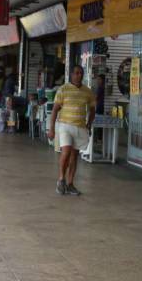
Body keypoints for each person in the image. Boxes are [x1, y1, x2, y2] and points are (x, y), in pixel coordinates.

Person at [47, 65, 96, 196]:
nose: (79, 75)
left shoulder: (88, 91)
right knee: (66, 152)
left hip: (80, 127)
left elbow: (92, 110)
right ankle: (61, 179)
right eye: (76, 73)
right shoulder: (63, 89)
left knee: (74, 156)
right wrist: (51, 129)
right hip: (65, 126)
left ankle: (70, 184)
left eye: (81, 73)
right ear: (71, 75)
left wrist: (89, 125)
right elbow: (55, 110)